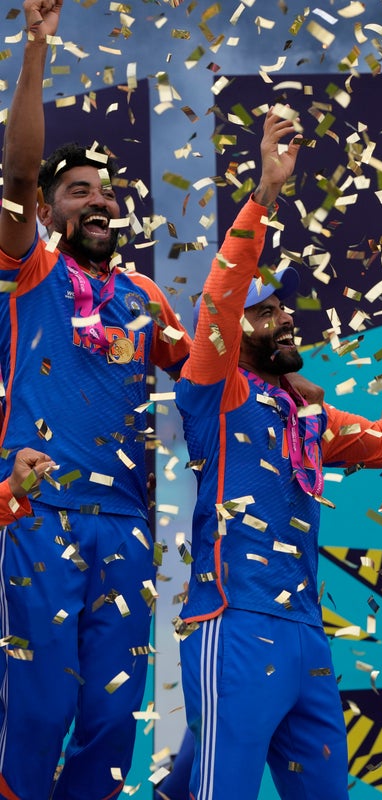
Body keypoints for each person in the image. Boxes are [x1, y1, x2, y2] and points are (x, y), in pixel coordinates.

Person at [176, 110, 382, 799]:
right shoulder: (215, 390)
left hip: (306, 636)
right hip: (235, 624)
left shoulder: (305, 416)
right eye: (263, 312)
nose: (281, 320)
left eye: (281, 309)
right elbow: (220, 299)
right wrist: (267, 191)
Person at [0, 1, 193, 795]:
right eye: (78, 191)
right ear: (48, 210)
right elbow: (18, 173)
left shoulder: (145, 296)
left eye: (107, 193)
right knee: (40, 711)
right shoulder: (30, 271)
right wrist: (37, 47)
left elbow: (209, 380)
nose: (99, 202)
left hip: (125, 528)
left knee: (113, 722)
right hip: (38, 512)